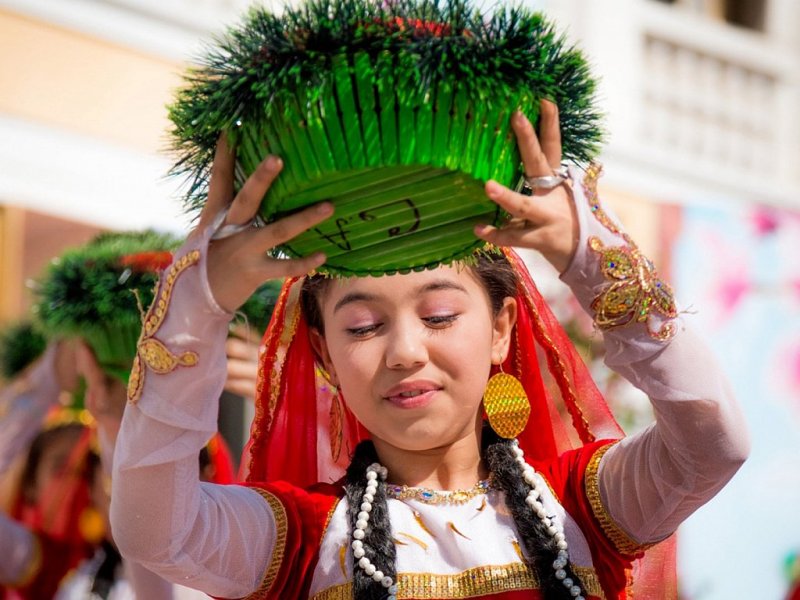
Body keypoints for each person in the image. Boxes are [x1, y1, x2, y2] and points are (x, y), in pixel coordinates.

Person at [109, 100, 749, 600]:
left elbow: (713, 443)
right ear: (324, 357)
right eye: (362, 326)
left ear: (501, 329)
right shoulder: (300, 538)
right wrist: (199, 305)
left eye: (439, 314)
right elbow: (153, 530)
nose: (405, 351)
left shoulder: (582, 506)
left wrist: (586, 253)